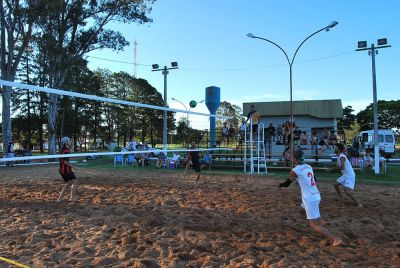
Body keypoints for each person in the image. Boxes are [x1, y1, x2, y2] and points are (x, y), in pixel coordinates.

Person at [279, 149, 343, 246]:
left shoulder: (295, 170)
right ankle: (321, 221)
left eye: (292, 157)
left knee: (313, 225)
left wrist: (279, 185)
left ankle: (335, 239)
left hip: (309, 199)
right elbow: (314, 179)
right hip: (315, 194)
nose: (291, 158)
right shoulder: (308, 166)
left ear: (295, 158)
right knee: (301, 210)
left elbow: (287, 184)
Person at [333, 143, 362, 207]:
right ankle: (342, 200)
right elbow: (338, 166)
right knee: (335, 185)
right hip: (345, 175)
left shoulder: (342, 156)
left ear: (339, 149)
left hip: (349, 175)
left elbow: (342, 167)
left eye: (336, 147)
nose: (334, 148)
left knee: (346, 191)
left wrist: (331, 169)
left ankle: (358, 203)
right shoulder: (339, 156)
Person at [57, 136, 78, 202]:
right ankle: (72, 198)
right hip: (66, 170)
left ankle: (60, 198)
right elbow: (65, 162)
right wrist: (73, 166)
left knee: (69, 183)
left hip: (63, 170)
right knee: (75, 181)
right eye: (69, 141)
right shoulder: (65, 150)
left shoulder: (63, 149)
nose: (70, 142)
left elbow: (63, 159)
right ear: (66, 142)